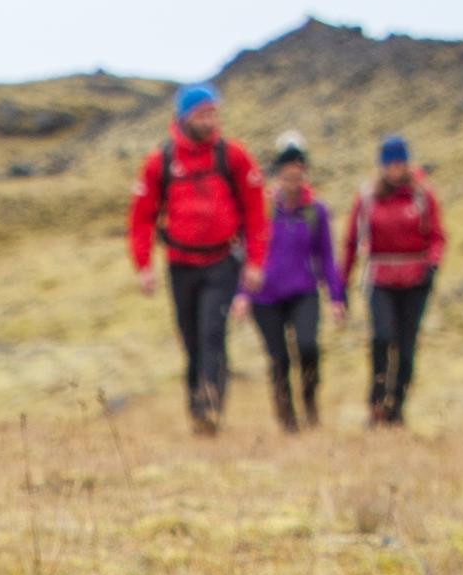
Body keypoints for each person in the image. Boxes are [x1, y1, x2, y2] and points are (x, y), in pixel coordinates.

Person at [127, 82, 266, 434]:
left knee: (211, 333)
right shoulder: (162, 161)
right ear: (184, 117)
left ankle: (211, 407)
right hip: (180, 264)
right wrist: (143, 266)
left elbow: (255, 212)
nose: (210, 120)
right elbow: (142, 216)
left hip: (222, 262)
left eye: (213, 113)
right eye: (202, 114)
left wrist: (254, 262)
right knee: (190, 338)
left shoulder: (233, 156)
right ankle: (195, 406)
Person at [340, 134, 446, 428]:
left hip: (415, 281)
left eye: (401, 162)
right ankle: (376, 403)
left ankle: (396, 406)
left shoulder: (423, 195)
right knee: (382, 337)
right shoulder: (367, 197)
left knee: (407, 346)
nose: (396, 169)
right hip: (380, 279)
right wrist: (342, 284)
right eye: (391, 163)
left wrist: (432, 265)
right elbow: (351, 241)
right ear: (383, 166)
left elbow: (437, 236)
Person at [241, 135, 341, 429]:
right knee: (279, 359)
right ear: (278, 177)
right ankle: (287, 419)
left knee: (308, 346)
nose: (293, 183)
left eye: (298, 176)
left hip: (303, 292)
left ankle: (310, 402)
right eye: (287, 177)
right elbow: (246, 254)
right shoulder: (263, 210)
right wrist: (241, 293)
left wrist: (336, 298)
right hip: (265, 297)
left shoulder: (315, 212)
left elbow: (326, 256)